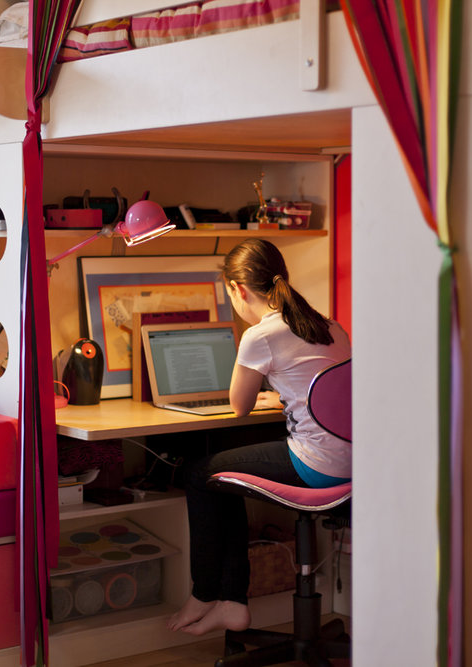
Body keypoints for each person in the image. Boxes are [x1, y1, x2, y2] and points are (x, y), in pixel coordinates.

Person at [167, 238, 351, 636]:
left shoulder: (260, 335)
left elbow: (238, 406)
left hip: (314, 466)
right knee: (222, 472)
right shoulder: (330, 326)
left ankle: (211, 595)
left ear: (237, 289)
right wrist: (281, 392)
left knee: (203, 474)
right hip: (353, 464)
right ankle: (228, 602)